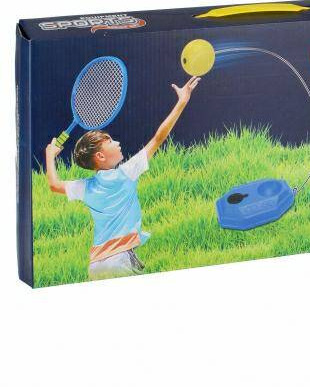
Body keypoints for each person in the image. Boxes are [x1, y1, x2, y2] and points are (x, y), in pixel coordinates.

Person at [45, 76, 201, 280]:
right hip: (120, 259)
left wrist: (50, 155)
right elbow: (158, 138)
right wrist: (182, 102)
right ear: (100, 156)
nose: (117, 143)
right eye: (110, 141)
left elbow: (54, 185)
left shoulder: (86, 187)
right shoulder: (126, 173)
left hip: (95, 265)